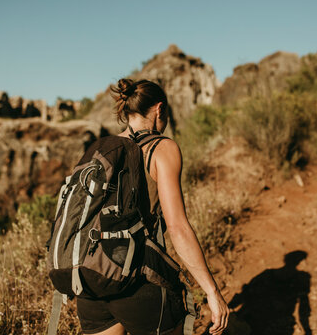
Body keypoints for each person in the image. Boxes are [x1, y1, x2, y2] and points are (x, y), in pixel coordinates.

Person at [75, 78, 229, 335]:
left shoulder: (101, 150)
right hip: (139, 280)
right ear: (159, 110)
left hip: (92, 278)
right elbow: (178, 228)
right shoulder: (162, 148)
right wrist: (212, 292)